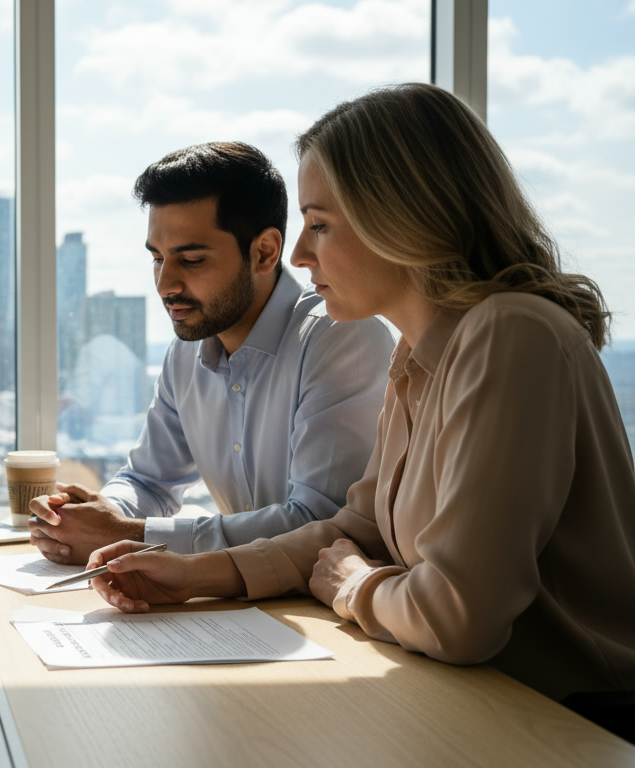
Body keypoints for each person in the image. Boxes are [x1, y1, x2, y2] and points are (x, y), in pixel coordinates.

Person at [87, 83, 635, 701]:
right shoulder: (418, 355)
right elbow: (358, 526)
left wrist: (351, 582)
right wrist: (193, 575)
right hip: (475, 699)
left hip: (574, 719)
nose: (297, 253)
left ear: (404, 221)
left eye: (319, 225)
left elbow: (456, 618)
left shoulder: (510, 334)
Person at [30, 143, 394, 565]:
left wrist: (129, 533)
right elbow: (149, 481)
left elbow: (319, 524)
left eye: (192, 259)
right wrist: (97, 513)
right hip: (241, 602)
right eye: (157, 258)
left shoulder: (340, 339)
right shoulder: (185, 354)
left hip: (333, 611)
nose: (165, 283)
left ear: (264, 252)